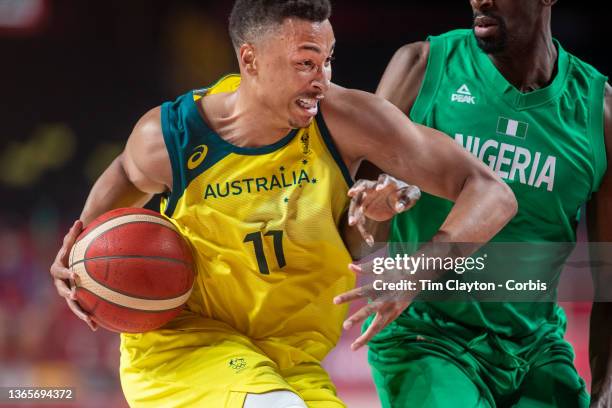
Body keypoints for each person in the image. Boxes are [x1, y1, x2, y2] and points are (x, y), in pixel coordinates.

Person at [49, 1, 517, 407]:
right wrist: (76, 250)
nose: (322, 79)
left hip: (290, 362)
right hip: (185, 348)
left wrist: (418, 270)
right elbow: (127, 174)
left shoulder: (346, 119)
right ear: (250, 59)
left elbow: (491, 191)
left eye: (329, 60)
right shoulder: (173, 135)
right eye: (305, 63)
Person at [335, 0, 612, 407]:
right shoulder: (421, 66)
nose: (480, 0)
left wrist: (605, 391)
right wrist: (377, 213)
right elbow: (357, 225)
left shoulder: (599, 112)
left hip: (535, 348)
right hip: (425, 335)